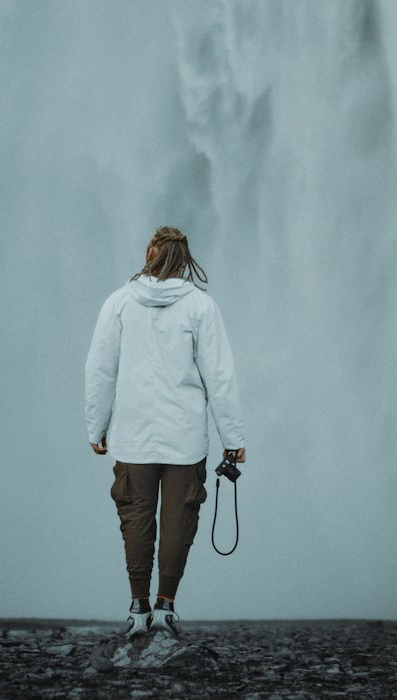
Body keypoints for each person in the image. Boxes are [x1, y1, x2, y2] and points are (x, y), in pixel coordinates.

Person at [85, 226, 246, 638]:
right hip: (185, 438)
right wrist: (233, 438)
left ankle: (138, 608)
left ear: (150, 252)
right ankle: (166, 607)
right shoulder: (201, 307)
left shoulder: (119, 303)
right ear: (184, 258)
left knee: (135, 519)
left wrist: (96, 425)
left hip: (133, 435)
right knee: (179, 520)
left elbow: (101, 370)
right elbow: (220, 377)